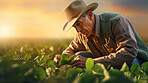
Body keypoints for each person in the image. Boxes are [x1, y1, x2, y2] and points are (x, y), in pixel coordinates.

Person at [54, 0, 148, 69]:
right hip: (109, 62)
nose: (78, 30)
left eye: (78, 24)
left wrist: (92, 62)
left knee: (127, 64)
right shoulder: (82, 34)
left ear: (90, 15)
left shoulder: (116, 22)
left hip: (137, 60)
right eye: (74, 26)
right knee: (79, 56)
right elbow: (71, 49)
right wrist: (63, 59)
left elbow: (129, 53)